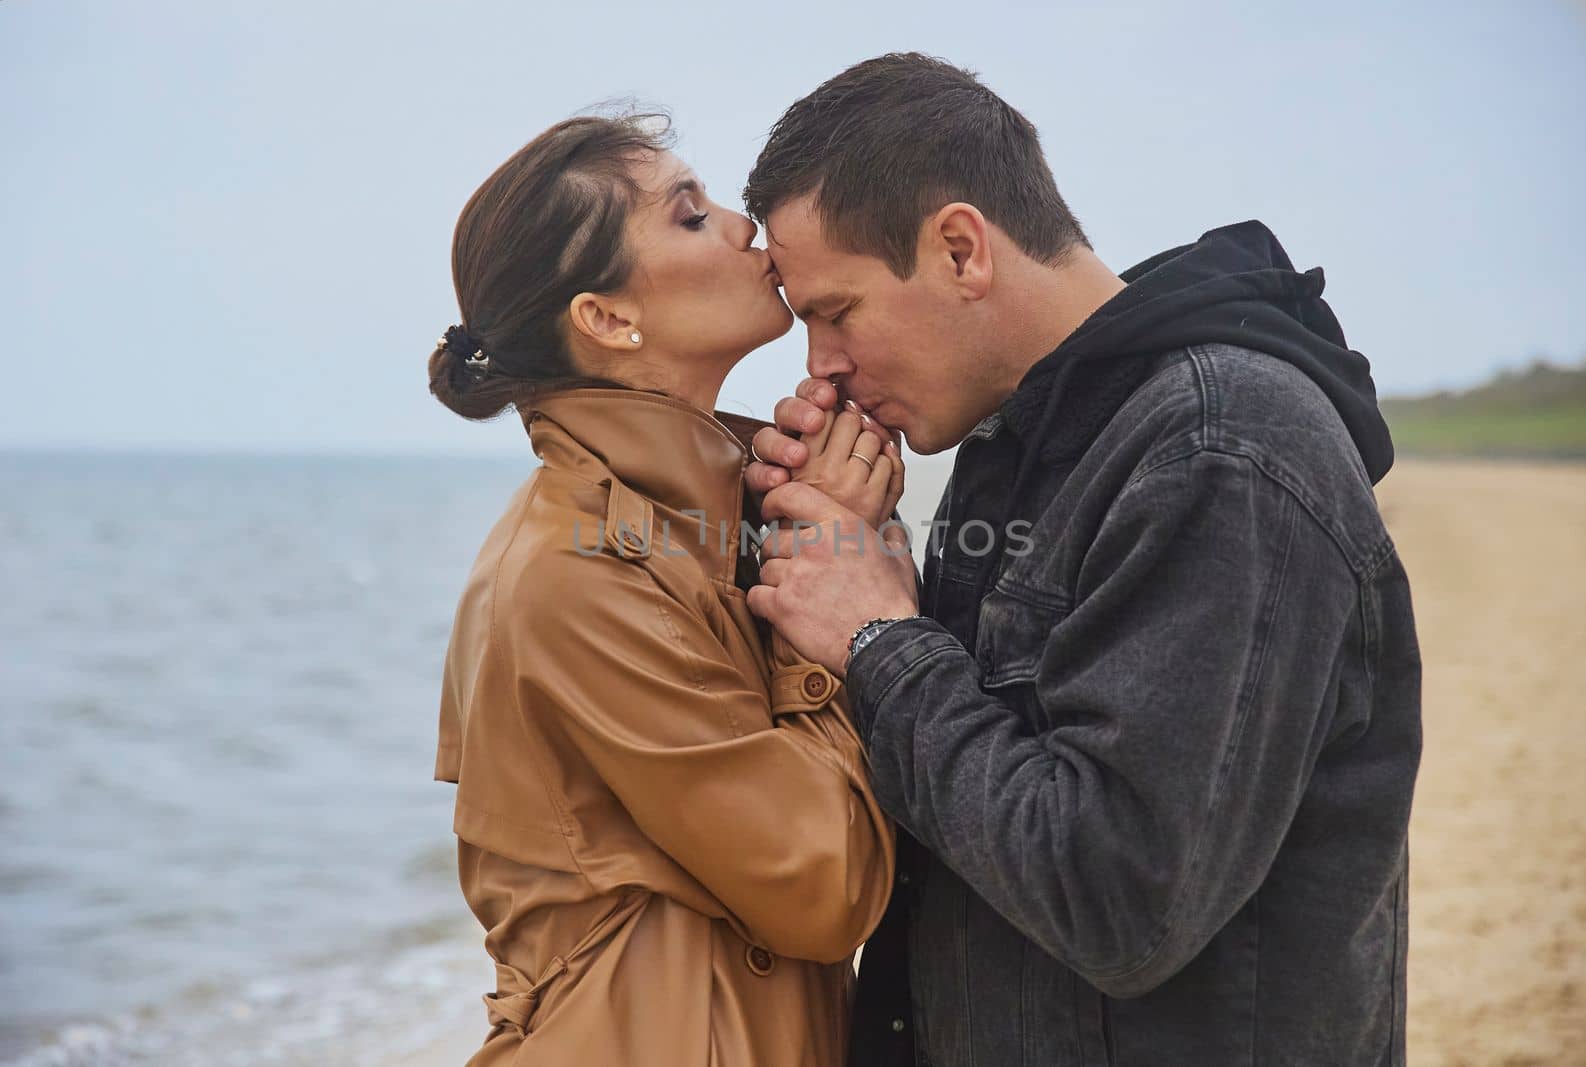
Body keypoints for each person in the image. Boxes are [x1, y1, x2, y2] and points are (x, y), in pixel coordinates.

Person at [742, 54, 1423, 1066]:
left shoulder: (1216, 449)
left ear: (961, 249)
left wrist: (879, 636)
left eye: (833, 311)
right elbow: (990, 780)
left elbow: (1120, 897)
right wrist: (854, 549)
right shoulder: (1041, 438)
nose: (818, 365)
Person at [427, 113, 904, 1066]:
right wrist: (843, 599)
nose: (742, 228)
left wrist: (806, 528)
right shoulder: (577, 573)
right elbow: (825, 880)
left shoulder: (690, 520)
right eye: (690, 218)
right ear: (605, 317)